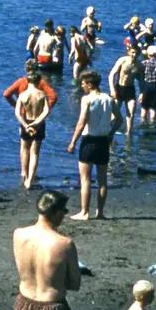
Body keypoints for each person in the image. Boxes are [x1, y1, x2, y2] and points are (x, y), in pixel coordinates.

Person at [66, 71, 121, 221]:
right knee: (102, 179)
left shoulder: (87, 99)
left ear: (90, 84)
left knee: (85, 179)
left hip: (89, 140)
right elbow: (119, 119)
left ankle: (84, 212)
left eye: (83, 83)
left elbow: (81, 122)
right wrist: (111, 133)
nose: (82, 86)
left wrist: (72, 142)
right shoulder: (109, 99)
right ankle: (100, 212)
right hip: (103, 141)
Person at [15, 78, 52, 190]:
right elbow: (46, 111)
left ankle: (25, 176)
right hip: (38, 124)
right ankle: (30, 180)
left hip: (26, 121)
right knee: (35, 153)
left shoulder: (23, 95)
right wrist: (36, 122)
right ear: (37, 81)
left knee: (25, 150)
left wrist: (26, 125)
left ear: (27, 82)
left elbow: (17, 113)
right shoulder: (41, 94)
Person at [107, 46, 140, 137]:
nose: (135, 55)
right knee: (114, 114)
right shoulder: (122, 60)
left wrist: (142, 93)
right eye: (133, 52)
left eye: (136, 53)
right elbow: (111, 75)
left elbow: (141, 80)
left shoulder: (139, 64)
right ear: (128, 52)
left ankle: (128, 134)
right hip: (119, 89)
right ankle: (108, 130)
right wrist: (112, 89)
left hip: (130, 90)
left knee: (131, 113)